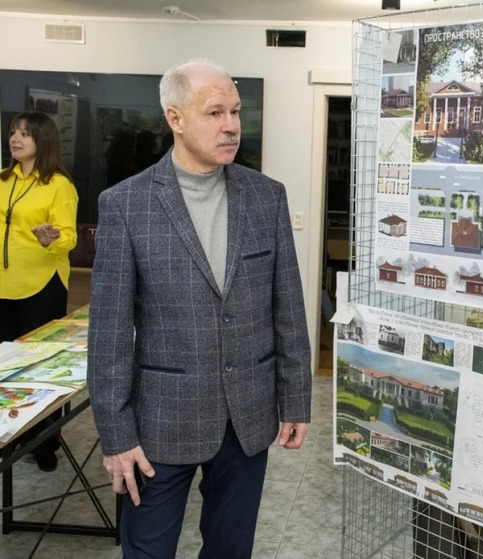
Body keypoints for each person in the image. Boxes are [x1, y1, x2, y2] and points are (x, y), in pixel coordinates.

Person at [87, 59, 312, 558]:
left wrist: (296, 398)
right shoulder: (126, 205)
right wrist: (116, 436)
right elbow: (108, 335)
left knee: (231, 550)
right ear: (176, 118)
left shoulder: (266, 197)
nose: (231, 125)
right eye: (214, 112)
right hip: (160, 423)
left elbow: (288, 308)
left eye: (235, 111)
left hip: (247, 416)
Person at [0, 111, 78, 471]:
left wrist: (51, 239)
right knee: (6, 367)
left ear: (42, 140)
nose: (15, 139)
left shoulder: (59, 185)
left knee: (39, 368)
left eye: (25, 134)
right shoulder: (3, 179)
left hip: (41, 284)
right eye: (13, 132)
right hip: (3, 285)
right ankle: (10, 435)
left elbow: (70, 238)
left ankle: (44, 442)